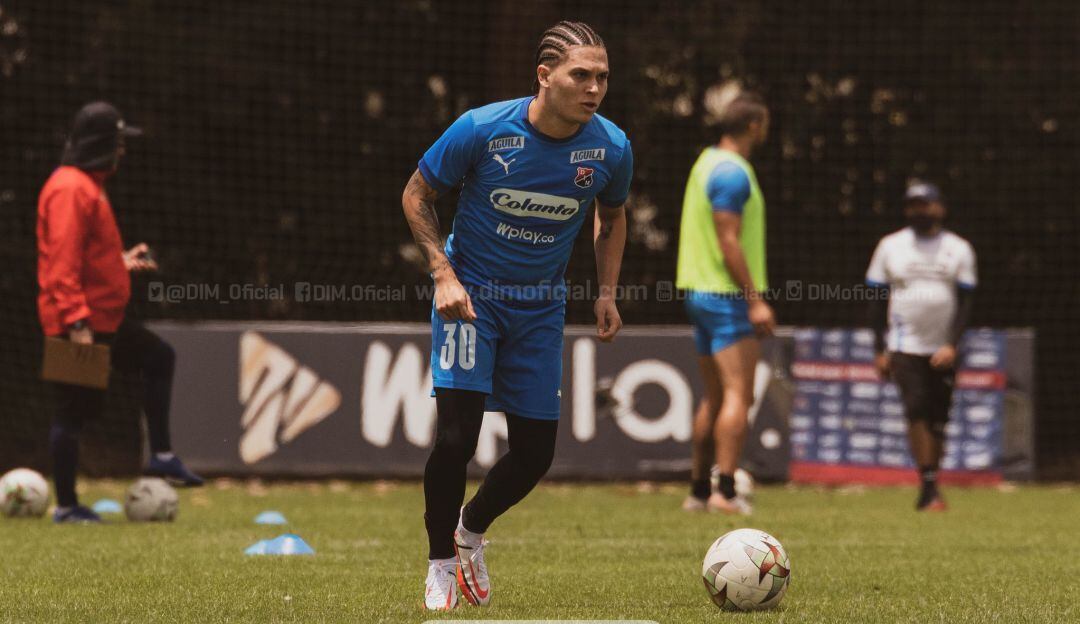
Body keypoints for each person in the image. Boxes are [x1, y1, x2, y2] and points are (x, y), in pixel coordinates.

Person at [401, 21, 632, 611]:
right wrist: (442, 275)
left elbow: (613, 214)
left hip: (540, 309)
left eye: (602, 76)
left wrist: (606, 292)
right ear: (544, 76)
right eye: (581, 75)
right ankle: (439, 565)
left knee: (535, 455)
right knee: (457, 439)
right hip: (470, 300)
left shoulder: (610, 147)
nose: (594, 88)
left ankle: (470, 530)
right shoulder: (481, 128)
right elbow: (416, 194)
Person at [37, 102, 204, 524]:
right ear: (100, 144)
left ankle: (162, 455)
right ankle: (67, 506)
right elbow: (61, 264)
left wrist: (121, 262)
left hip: (102, 320)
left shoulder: (87, 186)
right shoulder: (71, 188)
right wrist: (76, 324)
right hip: (79, 323)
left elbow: (87, 255)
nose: (123, 152)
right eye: (118, 143)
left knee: (158, 356)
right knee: (71, 412)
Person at [675, 92, 774, 516]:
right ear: (754, 125)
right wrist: (755, 300)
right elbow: (728, 239)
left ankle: (699, 490)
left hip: (698, 291)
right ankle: (726, 491)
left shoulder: (706, 162)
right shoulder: (733, 173)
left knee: (713, 397)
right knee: (739, 395)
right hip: (727, 296)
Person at [865, 182, 976, 511]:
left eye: (925, 204)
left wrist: (952, 344)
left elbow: (967, 303)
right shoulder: (890, 246)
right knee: (915, 408)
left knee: (938, 417)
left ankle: (932, 483)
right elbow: (874, 300)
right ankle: (928, 486)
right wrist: (879, 348)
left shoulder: (959, 248)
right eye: (913, 205)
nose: (919, 211)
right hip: (903, 344)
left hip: (942, 348)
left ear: (939, 207)